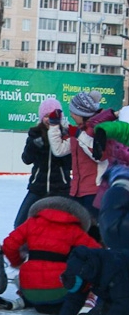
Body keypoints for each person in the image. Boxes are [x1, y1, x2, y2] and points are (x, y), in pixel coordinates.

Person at [2, 196, 101, 314]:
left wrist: (17, 262)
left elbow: (9, 244)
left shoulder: (31, 223)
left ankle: (26, 299)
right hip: (61, 292)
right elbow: (98, 254)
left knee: (28, 277)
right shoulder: (73, 229)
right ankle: (88, 299)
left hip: (30, 291)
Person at [39, 246, 129, 315]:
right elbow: (74, 298)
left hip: (124, 294)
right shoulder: (82, 269)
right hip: (121, 295)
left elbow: (123, 304)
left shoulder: (114, 271)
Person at [47, 92, 108, 220]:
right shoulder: (79, 130)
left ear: (82, 113)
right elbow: (59, 150)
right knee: (76, 232)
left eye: (73, 112)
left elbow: (99, 155)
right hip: (76, 191)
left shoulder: (100, 130)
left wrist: (80, 135)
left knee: (94, 233)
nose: (71, 115)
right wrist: (54, 126)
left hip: (95, 192)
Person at [13, 98, 71, 228]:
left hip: (61, 189)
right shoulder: (35, 133)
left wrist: (61, 150)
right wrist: (34, 145)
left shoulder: (65, 134)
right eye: (46, 116)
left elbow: (70, 165)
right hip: (38, 187)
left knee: (64, 224)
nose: (49, 119)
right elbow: (26, 159)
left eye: (52, 115)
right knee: (20, 223)